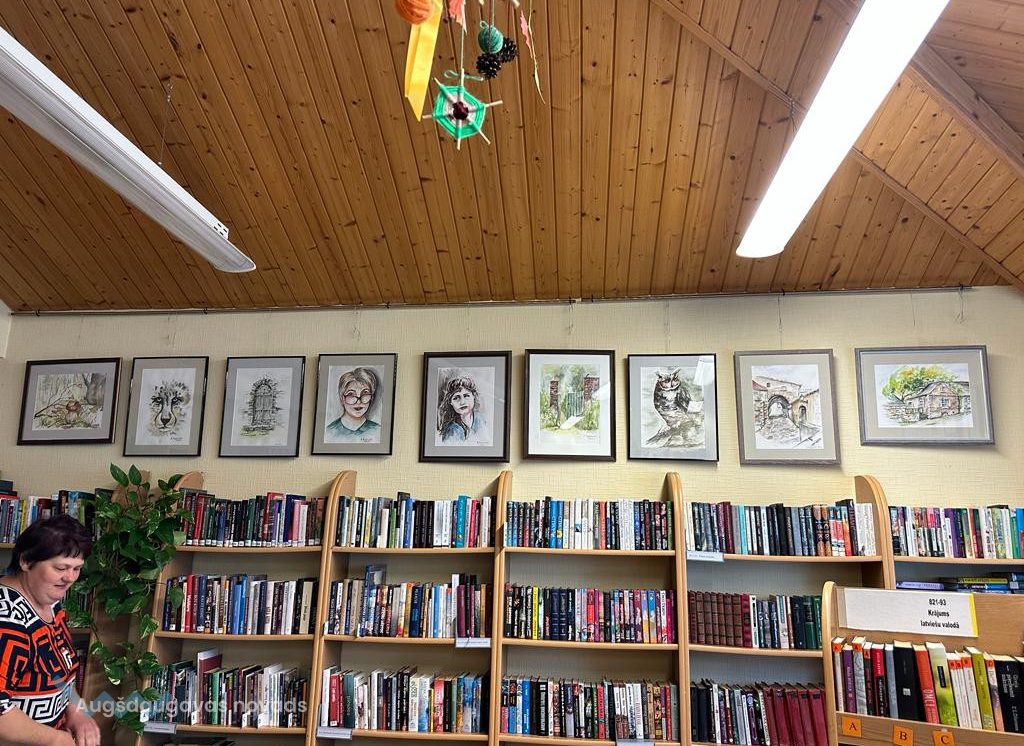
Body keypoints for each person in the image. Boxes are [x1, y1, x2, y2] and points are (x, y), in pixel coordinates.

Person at [0, 514, 99, 746]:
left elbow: (59, 674)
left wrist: (76, 712)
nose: (70, 578)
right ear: (26, 562)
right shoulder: (7, 620)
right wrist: (56, 739)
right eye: (60, 568)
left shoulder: (50, 601)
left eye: (77, 569)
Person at [326, 367, 381, 442]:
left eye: (365, 393)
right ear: (342, 398)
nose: (358, 401)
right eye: (351, 394)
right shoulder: (329, 432)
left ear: (371, 397)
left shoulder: (378, 430)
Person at [437, 375, 489, 444]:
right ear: (450, 402)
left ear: (474, 396)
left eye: (466, 396)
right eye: (456, 398)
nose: (462, 402)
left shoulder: (483, 420)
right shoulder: (451, 431)